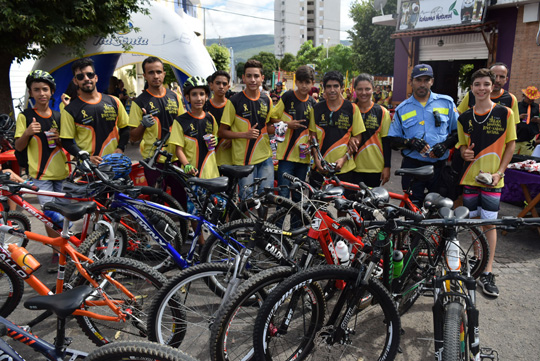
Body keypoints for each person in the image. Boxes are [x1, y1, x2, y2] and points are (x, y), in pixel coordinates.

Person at [457, 68, 516, 297]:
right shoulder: (464, 117)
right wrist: (464, 153)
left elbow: (511, 145)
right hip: (470, 178)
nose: (481, 88)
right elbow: (462, 145)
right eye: (477, 84)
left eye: (486, 84)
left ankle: (488, 270)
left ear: (493, 87)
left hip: (493, 180)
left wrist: (500, 173)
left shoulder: (505, 113)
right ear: (471, 88)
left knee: (489, 224)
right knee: (472, 222)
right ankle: (478, 260)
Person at [15, 70, 70, 271]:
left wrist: (60, 139)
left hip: (62, 172)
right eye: (36, 90)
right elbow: (19, 147)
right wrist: (28, 133)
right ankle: (58, 252)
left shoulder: (58, 115)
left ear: (52, 91)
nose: (41, 93)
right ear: (30, 93)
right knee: (50, 215)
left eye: (45, 89)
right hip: (41, 175)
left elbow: (68, 143)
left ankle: (64, 250)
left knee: (64, 214)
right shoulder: (26, 116)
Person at [388, 63, 459, 204]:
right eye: (418, 80)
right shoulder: (402, 108)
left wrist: (445, 145)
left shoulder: (446, 103)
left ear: (432, 81)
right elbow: (392, 140)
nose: (422, 84)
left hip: (438, 168)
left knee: (437, 208)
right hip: (412, 168)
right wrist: (410, 143)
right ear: (411, 81)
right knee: (412, 208)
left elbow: (458, 133)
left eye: (426, 80)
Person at [128, 56, 186, 206]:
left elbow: (184, 126)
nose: (155, 76)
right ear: (145, 75)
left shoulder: (175, 97)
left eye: (158, 72)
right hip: (153, 160)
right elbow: (133, 137)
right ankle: (160, 229)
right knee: (157, 201)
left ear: (164, 73)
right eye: (151, 72)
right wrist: (143, 124)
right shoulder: (139, 102)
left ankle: (185, 229)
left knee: (181, 199)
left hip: (175, 158)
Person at [218, 59, 274, 199]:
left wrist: (284, 127)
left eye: (256, 76)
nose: (252, 80)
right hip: (244, 160)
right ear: (243, 78)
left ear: (262, 78)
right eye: (249, 76)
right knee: (246, 201)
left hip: (265, 157)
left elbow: (268, 126)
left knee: (266, 197)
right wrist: (244, 134)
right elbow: (222, 132)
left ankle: (262, 222)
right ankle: (246, 222)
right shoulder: (234, 101)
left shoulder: (267, 99)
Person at [60, 58, 129, 165]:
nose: (86, 79)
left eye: (90, 75)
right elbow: (66, 141)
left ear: (96, 78)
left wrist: (120, 148)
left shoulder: (114, 101)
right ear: (75, 81)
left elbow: (125, 128)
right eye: (80, 76)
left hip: (116, 164)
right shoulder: (70, 110)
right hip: (90, 169)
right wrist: (86, 157)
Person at [308, 71, 365, 189]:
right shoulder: (316, 108)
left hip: (345, 168)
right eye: (328, 86)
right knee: (315, 206)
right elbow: (313, 136)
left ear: (342, 88)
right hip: (319, 168)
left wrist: (344, 159)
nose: (332, 90)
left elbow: (358, 136)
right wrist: (317, 161)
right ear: (323, 88)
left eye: (336, 86)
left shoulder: (352, 108)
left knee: (344, 206)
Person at [270, 65, 317, 202]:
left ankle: (297, 225)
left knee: (298, 196)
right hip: (286, 156)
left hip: (303, 158)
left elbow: (313, 130)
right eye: (301, 82)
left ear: (312, 83)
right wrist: (287, 124)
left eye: (307, 82)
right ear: (296, 82)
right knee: (283, 195)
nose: (303, 86)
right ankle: (277, 224)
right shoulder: (288, 96)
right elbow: (272, 118)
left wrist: (310, 144)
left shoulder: (313, 103)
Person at [349, 73, 392, 187]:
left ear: (373, 89)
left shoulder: (382, 112)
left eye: (367, 89)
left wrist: (387, 166)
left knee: (370, 204)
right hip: (351, 167)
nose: (364, 93)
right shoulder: (349, 110)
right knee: (351, 203)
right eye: (360, 89)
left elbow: (386, 141)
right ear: (355, 90)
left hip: (374, 168)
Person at [206, 70, 233, 166]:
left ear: (228, 87)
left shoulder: (233, 106)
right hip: (209, 158)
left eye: (224, 84)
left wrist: (232, 139)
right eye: (218, 83)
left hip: (229, 158)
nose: (221, 86)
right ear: (211, 85)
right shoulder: (204, 107)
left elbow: (239, 128)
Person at [515, 86, 540, 155]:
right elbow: (509, 119)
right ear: (524, 95)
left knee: (526, 159)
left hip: (529, 138)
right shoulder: (517, 105)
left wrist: (538, 120)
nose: (531, 100)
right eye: (529, 98)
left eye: (533, 99)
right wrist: (519, 117)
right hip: (516, 136)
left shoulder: (537, 107)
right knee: (511, 157)